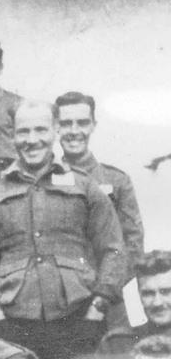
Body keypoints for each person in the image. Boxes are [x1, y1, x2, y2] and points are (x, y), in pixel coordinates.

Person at [0, 100, 125, 359]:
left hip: (78, 320)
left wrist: (99, 305)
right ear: (12, 135)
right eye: (23, 131)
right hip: (14, 322)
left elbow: (113, 248)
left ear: (55, 131)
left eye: (40, 129)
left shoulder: (84, 186)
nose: (32, 139)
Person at [56, 91, 144, 276]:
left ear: (93, 126)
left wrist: (106, 289)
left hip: (106, 296)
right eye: (66, 124)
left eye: (82, 123)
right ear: (55, 127)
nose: (74, 131)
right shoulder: (46, 181)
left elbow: (134, 246)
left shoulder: (117, 181)